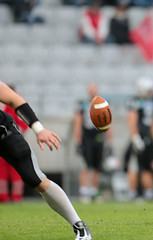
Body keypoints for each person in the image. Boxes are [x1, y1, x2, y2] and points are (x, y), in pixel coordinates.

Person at [0, 81, 91, 239]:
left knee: (35, 179)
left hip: (4, 133)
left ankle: (79, 226)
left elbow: (16, 100)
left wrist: (39, 130)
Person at [125, 76, 153, 200]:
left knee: (148, 166)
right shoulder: (134, 102)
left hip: (148, 139)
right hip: (139, 138)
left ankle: (148, 191)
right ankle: (132, 192)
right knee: (134, 165)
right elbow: (132, 120)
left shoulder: (151, 102)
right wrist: (135, 137)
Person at [73, 83, 113, 203]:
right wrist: (78, 140)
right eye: (90, 90)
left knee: (97, 166)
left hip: (99, 136)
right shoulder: (83, 104)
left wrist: (110, 141)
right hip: (87, 137)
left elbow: (109, 122)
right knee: (86, 164)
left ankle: (94, 192)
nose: (92, 92)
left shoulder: (103, 104)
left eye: (94, 89)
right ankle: (84, 191)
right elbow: (78, 122)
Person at [0, 84, 28, 203]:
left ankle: (8, 197)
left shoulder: (10, 103)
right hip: (11, 139)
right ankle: (11, 197)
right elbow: (24, 123)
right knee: (13, 170)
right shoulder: (16, 101)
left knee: (9, 170)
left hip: (7, 140)